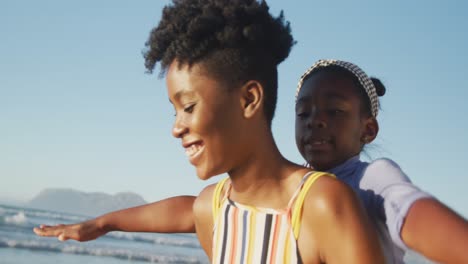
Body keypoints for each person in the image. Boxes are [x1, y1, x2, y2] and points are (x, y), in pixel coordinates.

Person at [35, 1, 385, 263]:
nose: (176, 128)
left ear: (249, 99)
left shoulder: (321, 203)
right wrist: (102, 223)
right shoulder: (214, 208)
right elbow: (179, 211)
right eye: (173, 111)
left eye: (188, 107)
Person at [294, 59, 468, 264]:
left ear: (368, 130)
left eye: (334, 111)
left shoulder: (373, 178)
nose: (315, 120)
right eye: (303, 113)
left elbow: (408, 209)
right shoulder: (290, 186)